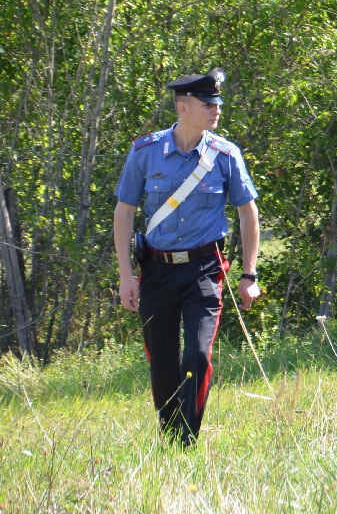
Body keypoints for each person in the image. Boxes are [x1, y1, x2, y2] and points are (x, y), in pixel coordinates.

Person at [113, 67, 260, 446]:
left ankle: (185, 440)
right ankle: (170, 433)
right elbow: (124, 210)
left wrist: (249, 274)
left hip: (205, 269)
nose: (216, 110)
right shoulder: (145, 152)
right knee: (162, 363)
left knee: (196, 354)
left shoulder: (225, 154)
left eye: (217, 103)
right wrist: (126, 275)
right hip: (156, 271)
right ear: (182, 107)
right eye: (207, 103)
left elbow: (248, 212)